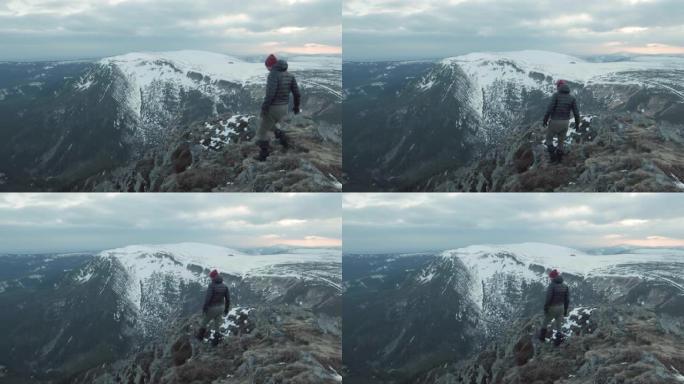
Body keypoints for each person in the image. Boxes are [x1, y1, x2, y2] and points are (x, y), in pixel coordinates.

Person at [255, 53, 302, 161]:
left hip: (274, 107)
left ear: (270, 65)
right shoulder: (290, 75)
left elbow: (270, 94)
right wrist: (296, 107)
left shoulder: (273, 75)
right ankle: (282, 137)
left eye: (267, 66)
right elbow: (297, 93)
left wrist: (264, 108)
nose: (267, 68)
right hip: (284, 107)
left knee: (261, 132)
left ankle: (264, 155)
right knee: (270, 124)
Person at [543, 80, 580, 164]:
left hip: (555, 121)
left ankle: (553, 158)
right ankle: (559, 160)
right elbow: (576, 113)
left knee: (549, 140)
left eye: (557, 86)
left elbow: (549, 109)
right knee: (561, 142)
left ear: (558, 86)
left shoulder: (556, 95)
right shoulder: (572, 98)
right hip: (565, 122)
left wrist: (545, 120)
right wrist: (577, 125)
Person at [197, 269, 230, 345]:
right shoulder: (225, 286)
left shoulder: (212, 286)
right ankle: (216, 341)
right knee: (217, 324)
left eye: (211, 277)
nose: (210, 279)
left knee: (204, 322)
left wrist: (204, 308)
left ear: (213, 277)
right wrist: (226, 309)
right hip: (221, 307)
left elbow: (208, 298)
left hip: (212, 308)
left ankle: (200, 338)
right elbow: (228, 299)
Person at [540, 269, 569, 346]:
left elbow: (548, 298)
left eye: (550, 277)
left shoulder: (552, 285)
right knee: (559, 324)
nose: (550, 279)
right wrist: (565, 309)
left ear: (553, 277)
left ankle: (541, 338)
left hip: (553, 307)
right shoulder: (565, 285)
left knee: (545, 322)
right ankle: (558, 341)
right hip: (561, 307)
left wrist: (546, 307)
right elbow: (567, 299)